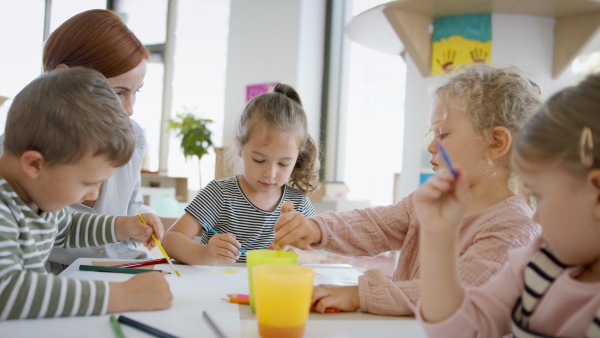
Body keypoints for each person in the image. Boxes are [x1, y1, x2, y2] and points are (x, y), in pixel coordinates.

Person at [271, 65, 543, 316]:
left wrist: (360, 295)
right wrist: (315, 228)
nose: (431, 147)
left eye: (444, 134)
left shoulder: (516, 227)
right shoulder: (433, 200)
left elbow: (457, 296)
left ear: (496, 143)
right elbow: (376, 225)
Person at [416, 73, 600, 337]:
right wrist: (438, 234)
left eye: (539, 196)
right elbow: (463, 330)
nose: (536, 218)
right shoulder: (539, 259)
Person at [0, 9, 176, 273]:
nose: (129, 110)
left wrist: (132, 225)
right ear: (62, 78)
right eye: (118, 92)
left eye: (135, 92)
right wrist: (117, 297)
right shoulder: (15, 181)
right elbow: (17, 291)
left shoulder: (131, 136)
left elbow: (68, 226)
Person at [0, 67, 172, 320]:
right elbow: (9, 293)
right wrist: (124, 295)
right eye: (88, 182)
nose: (95, 193)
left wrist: (124, 226)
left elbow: (67, 228)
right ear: (34, 164)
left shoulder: (34, 198)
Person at [162, 83, 320, 264]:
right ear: (239, 147)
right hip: (218, 289)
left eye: (284, 163)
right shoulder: (220, 194)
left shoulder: (298, 203)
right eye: (259, 160)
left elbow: (314, 255)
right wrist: (204, 253)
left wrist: (297, 255)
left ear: (297, 156)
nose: (270, 173)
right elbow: (171, 239)